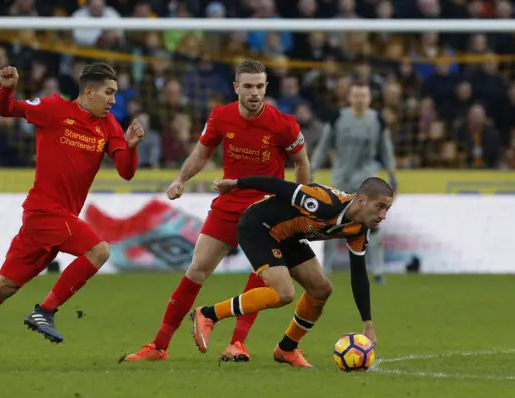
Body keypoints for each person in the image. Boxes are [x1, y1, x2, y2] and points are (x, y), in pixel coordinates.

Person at [0, 62, 145, 370]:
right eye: (109, 93)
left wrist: (131, 148)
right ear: (89, 91)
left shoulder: (108, 126)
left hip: (60, 219)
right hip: (43, 211)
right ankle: (46, 311)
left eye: (115, 94)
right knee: (100, 250)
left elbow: (126, 172)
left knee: (4, 286)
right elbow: (6, 109)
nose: (113, 101)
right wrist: (7, 88)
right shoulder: (53, 109)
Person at [122, 60, 311, 363]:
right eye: (248, 86)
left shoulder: (284, 123)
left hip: (265, 209)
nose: (254, 93)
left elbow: (302, 162)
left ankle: (238, 343)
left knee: (263, 277)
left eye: (259, 86)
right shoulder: (221, 116)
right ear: (236, 88)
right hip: (228, 204)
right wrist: (181, 179)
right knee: (196, 271)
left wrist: (299, 202)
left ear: (266, 87)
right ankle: (158, 346)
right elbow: (202, 152)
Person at [191, 176, 393, 367]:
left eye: (387, 209)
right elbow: (279, 186)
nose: (383, 215)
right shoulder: (325, 202)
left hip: (288, 236)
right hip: (259, 226)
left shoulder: (359, 229)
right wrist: (235, 184)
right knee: (284, 293)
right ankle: (209, 314)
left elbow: (358, 274)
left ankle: (286, 349)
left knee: (321, 289)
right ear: (361, 201)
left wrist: (368, 324)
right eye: (380, 207)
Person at [311, 83, 397, 284]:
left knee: (372, 224)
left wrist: (392, 174)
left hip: (367, 181)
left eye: (364, 95)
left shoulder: (377, 120)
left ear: (369, 98)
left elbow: (386, 149)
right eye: (356, 95)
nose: (360, 99)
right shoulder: (338, 118)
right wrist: (312, 168)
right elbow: (324, 146)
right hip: (341, 179)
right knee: (331, 223)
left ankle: (377, 271)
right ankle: (325, 268)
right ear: (350, 97)